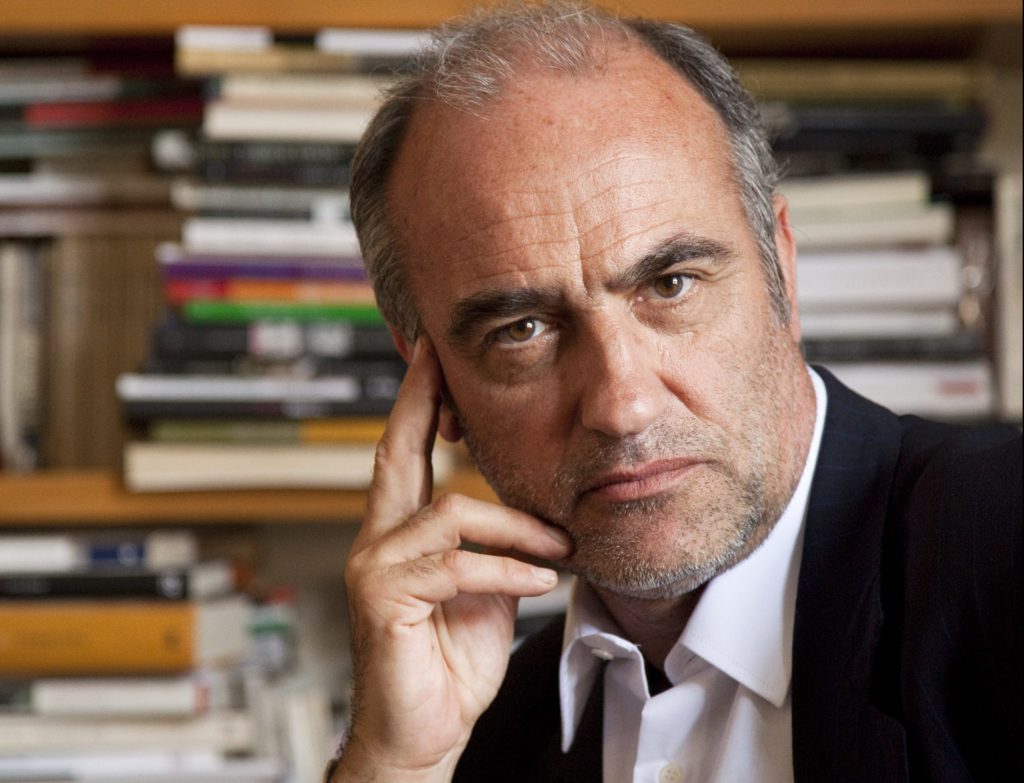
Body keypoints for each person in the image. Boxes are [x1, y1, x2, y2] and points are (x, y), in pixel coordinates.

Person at [326, 3, 1023, 781]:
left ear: (782, 271)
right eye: (522, 329)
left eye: (671, 284)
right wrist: (392, 762)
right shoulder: (477, 732)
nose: (623, 405)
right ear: (434, 382)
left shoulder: (1003, 540)